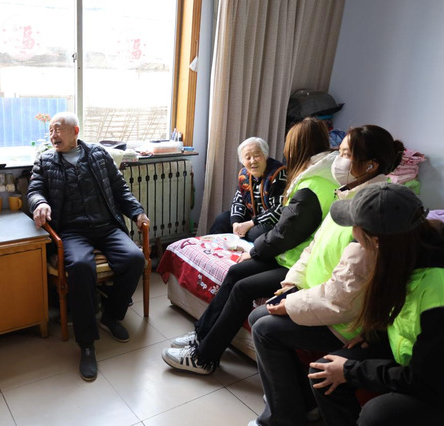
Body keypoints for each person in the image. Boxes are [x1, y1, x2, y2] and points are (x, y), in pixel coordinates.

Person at [246, 125, 405, 426]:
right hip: (321, 296)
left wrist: (291, 305)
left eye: (345, 154)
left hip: (345, 319)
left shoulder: (371, 214)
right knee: (258, 316)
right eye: (338, 151)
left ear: (370, 166)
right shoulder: (345, 196)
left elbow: (342, 297)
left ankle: (283, 417)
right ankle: (299, 402)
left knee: (265, 329)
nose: (336, 160)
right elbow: (314, 248)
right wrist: (291, 284)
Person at [163, 117, 338, 374]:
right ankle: (202, 334)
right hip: (290, 254)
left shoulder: (312, 184)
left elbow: (284, 232)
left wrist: (254, 250)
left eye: (289, 146)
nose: (286, 152)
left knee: (243, 288)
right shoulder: (317, 177)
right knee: (235, 272)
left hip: (298, 262)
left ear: (299, 148)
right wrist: (247, 239)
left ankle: (205, 357)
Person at [27, 112, 150, 382]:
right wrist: (40, 203)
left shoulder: (98, 154)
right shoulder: (45, 160)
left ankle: (111, 316)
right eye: (50, 130)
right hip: (72, 231)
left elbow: (120, 188)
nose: (53, 135)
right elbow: (34, 190)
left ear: (75, 131)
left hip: (106, 226)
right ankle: (86, 344)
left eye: (58, 129)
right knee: (82, 267)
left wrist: (137, 212)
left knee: (134, 259)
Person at [308, 184, 444, 426]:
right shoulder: (407, 254)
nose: (353, 237)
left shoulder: (437, 288)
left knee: (376, 414)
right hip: (414, 356)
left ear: (376, 241)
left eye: (356, 231)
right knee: (324, 371)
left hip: (432, 381)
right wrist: (376, 333)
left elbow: (425, 380)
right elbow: (406, 314)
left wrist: (351, 370)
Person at [208, 137, 287, 242]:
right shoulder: (244, 174)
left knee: (256, 233)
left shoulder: (279, 173)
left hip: (271, 222)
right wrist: (236, 223)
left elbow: (279, 210)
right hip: (251, 218)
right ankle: (214, 248)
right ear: (243, 161)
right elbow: (238, 201)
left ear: (265, 155)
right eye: (248, 157)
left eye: (257, 156)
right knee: (222, 220)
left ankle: (243, 246)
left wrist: (250, 224)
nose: (253, 161)